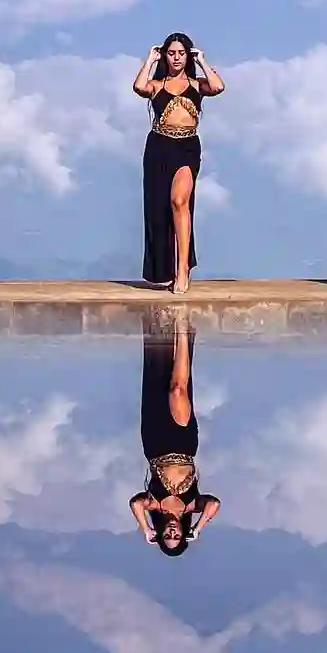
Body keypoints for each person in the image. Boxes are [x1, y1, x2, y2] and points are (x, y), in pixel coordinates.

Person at [133, 31, 224, 293]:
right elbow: (139, 87)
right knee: (160, 211)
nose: (176, 58)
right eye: (171, 53)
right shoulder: (157, 85)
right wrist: (150, 60)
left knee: (180, 201)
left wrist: (203, 61)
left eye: (181, 53)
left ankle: (183, 269)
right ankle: (168, 269)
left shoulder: (196, 85)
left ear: (187, 56)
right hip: (159, 148)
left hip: (186, 148)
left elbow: (217, 86)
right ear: (165, 55)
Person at [128, 317, 220, 557]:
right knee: (178, 389)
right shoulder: (192, 505)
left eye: (166, 536)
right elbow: (214, 504)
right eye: (176, 536)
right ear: (182, 533)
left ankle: (161, 326)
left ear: (160, 534)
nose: (171, 533)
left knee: (156, 381)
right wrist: (198, 528)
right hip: (183, 444)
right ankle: (181, 330)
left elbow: (135, 504)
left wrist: (145, 527)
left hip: (154, 443)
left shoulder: (153, 504)